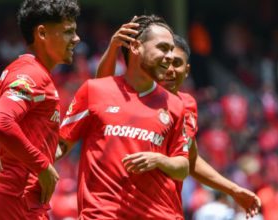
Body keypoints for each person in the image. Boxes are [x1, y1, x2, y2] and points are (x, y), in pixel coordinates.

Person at [96, 20, 261, 218]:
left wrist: (233, 190)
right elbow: (101, 90)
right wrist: (114, 47)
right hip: (119, 210)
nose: (170, 69)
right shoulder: (132, 94)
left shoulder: (186, 104)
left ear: (187, 70)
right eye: (165, 61)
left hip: (165, 212)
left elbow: (189, 161)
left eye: (177, 63)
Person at [58, 15, 189, 219]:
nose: (170, 56)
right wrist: (29, 166)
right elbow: (61, 145)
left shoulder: (175, 105)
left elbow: (183, 167)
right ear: (136, 47)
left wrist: (159, 160)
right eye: (163, 48)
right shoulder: (94, 91)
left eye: (172, 49)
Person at [0, 0, 80, 219]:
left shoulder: (29, 71)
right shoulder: (31, 75)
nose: (76, 39)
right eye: (68, 32)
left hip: (12, 199)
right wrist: (41, 167)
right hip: (16, 203)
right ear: (42, 33)